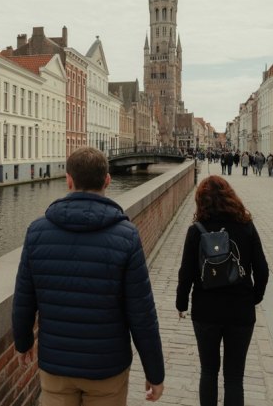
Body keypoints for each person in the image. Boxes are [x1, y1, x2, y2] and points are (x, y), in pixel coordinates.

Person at [12, 146, 165, 404]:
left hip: (56, 364)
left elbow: (24, 298)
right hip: (107, 367)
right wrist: (155, 371)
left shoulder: (37, 232)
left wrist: (23, 341)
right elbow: (142, 313)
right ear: (107, 180)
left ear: (68, 179)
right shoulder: (126, 236)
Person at [176, 175, 269, 406]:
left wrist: (181, 304)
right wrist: (253, 298)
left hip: (206, 311)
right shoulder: (246, 226)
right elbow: (262, 270)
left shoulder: (196, 230)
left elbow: (185, 272)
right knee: (234, 377)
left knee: (208, 371)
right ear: (231, 197)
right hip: (240, 312)